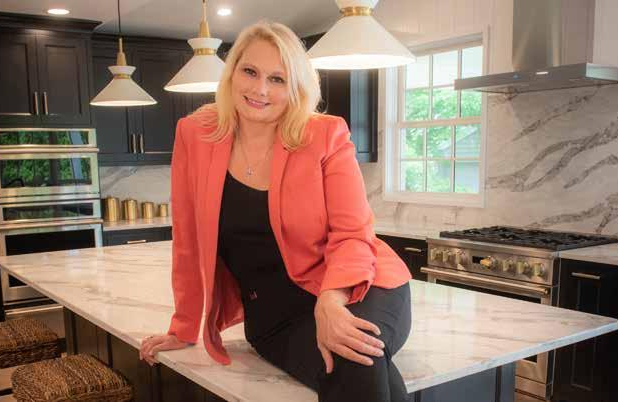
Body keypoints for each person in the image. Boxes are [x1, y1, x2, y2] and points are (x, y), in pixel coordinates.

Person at [139, 21, 413, 402]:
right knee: (356, 362)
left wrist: (331, 300)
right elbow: (187, 239)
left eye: (277, 79)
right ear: (232, 72)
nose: (260, 89)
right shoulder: (196, 134)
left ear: (295, 87)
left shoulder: (324, 135)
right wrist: (183, 326)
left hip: (359, 285)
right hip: (275, 315)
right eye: (250, 71)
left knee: (356, 354)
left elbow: (353, 233)